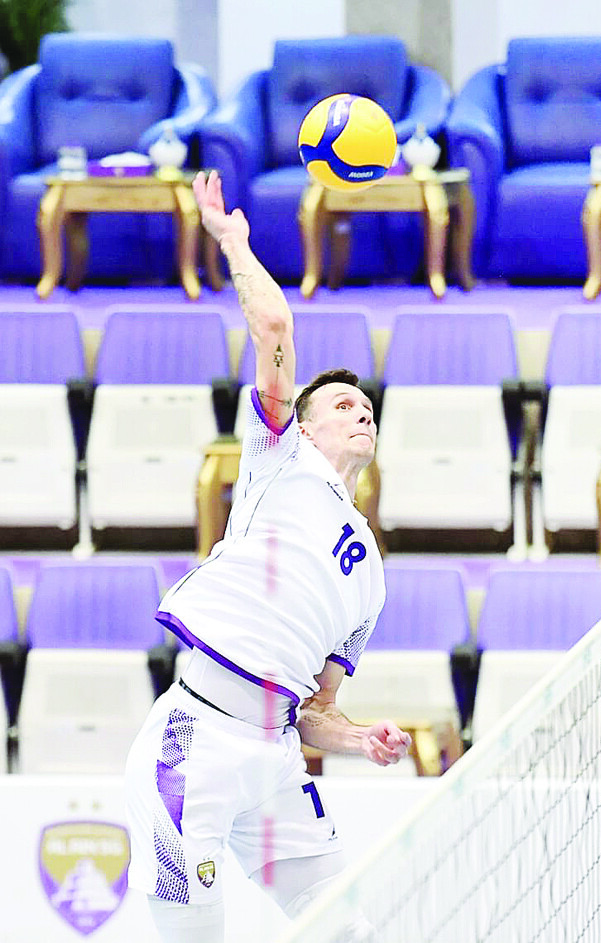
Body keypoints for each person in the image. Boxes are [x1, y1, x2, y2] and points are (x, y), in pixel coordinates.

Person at [124, 170, 410, 943]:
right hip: (196, 742)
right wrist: (234, 241)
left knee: (350, 929)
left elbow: (317, 711)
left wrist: (361, 740)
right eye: (342, 404)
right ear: (303, 426)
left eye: (368, 406)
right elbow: (274, 325)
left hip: (277, 759)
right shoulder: (280, 460)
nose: (361, 410)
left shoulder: (371, 574)